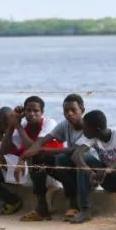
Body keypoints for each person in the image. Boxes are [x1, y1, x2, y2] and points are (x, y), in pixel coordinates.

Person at [19, 94, 98, 222]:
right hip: (70, 168)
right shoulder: (65, 125)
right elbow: (42, 141)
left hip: (88, 172)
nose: (69, 114)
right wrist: (27, 155)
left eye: (73, 110)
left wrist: (43, 149)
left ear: (82, 110)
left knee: (61, 158)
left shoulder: (89, 128)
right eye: (66, 111)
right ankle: (42, 208)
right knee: (38, 157)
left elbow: (75, 151)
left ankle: (74, 205)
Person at [67, 110, 116, 224]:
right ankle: (85, 210)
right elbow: (76, 156)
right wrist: (90, 173)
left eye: (85, 128)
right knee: (85, 158)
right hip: (106, 179)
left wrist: (110, 168)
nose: (83, 131)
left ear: (96, 130)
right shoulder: (91, 137)